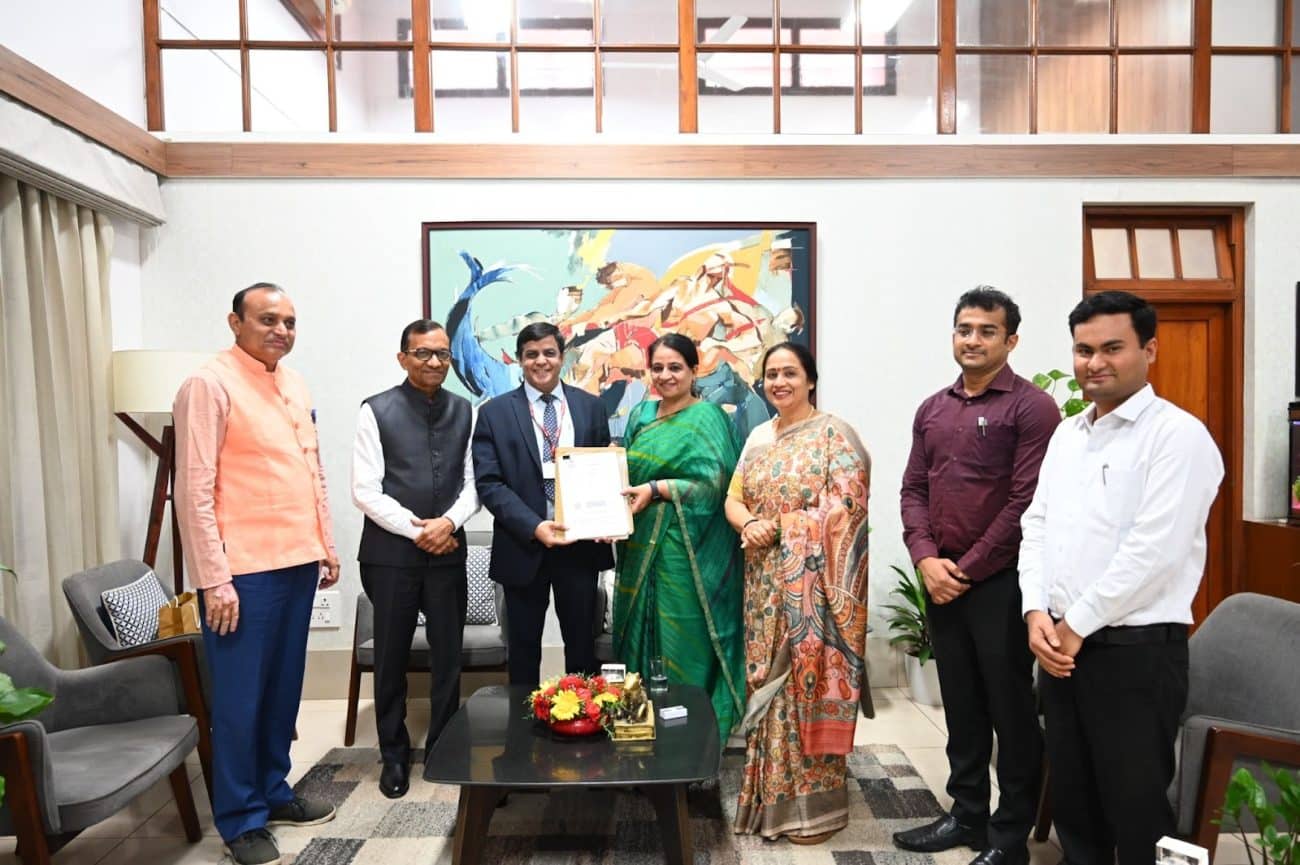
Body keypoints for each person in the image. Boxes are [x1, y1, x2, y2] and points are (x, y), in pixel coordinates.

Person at [1019, 291, 1223, 865]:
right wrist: (1036, 611)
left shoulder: (1178, 436)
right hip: (1061, 646)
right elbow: (1037, 525)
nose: (1095, 363)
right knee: (1075, 802)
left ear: (1149, 349)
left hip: (1137, 652)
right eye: (1083, 350)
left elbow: (1154, 552)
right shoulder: (1068, 435)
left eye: (1112, 348)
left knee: (1138, 808)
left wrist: (1075, 625)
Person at [173, 283, 339, 865]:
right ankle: (240, 818)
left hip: (296, 561)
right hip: (241, 573)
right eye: (268, 320)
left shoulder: (293, 382)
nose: (281, 331)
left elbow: (312, 471)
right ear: (235, 322)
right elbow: (193, 490)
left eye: (289, 321)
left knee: (281, 691)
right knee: (240, 701)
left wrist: (325, 544)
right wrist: (213, 579)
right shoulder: (208, 384)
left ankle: (272, 790)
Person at [894, 287, 1060, 865]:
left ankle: (1009, 835)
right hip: (941, 578)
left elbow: (1025, 503)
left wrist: (964, 570)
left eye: (987, 331)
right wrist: (925, 559)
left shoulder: (1032, 408)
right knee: (961, 705)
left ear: (1011, 340)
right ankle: (966, 814)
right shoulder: (932, 409)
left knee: (1010, 710)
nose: (973, 340)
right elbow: (913, 489)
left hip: (1002, 583)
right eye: (965, 329)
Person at [724, 341, 872, 845]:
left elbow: (849, 510)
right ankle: (767, 797)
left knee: (802, 689)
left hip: (815, 593)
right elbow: (733, 498)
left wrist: (784, 527)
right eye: (771, 374)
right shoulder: (757, 437)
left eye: (790, 373)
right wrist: (749, 524)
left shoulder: (835, 434)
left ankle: (814, 810)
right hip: (762, 586)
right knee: (764, 683)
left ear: (810, 380)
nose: (779, 382)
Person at [351, 319, 479, 798]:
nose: (434, 362)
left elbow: (474, 483)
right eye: (423, 353)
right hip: (390, 556)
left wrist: (447, 523)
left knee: (448, 656)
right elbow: (365, 490)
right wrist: (419, 530)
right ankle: (394, 754)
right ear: (402, 358)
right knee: (391, 657)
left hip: (448, 551)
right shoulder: (375, 410)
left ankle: (443, 746)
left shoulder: (466, 410)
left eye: (442, 354)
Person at [613, 332, 745, 740]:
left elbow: (716, 488)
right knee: (640, 631)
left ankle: (691, 730)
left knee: (683, 636)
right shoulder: (640, 415)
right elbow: (622, 476)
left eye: (675, 367)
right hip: (638, 546)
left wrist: (659, 489)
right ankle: (639, 723)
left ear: (693, 370)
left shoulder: (709, 418)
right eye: (658, 368)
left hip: (686, 553)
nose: (666, 375)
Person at [471, 321, 614, 687]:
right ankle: (522, 722)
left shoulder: (591, 408)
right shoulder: (494, 413)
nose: (541, 361)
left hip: (580, 546)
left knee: (582, 648)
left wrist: (606, 519)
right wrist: (535, 526)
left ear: (562, 357)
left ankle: (583, 716)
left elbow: (603, 471)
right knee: (523, 650)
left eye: (549, 352)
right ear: (520, 360)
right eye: (531, 354)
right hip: (522, 545)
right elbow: (490, 484)